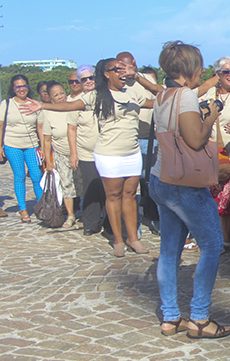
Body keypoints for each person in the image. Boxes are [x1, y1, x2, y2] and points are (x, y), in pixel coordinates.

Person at [22, 58, 154, 257]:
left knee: (129, 196)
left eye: (123, 69)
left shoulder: (133, 93)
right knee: (113, 196)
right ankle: (118, 239)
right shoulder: (96, 95)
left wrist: (139, 77)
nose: (122, 72)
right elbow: (71, 106)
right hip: (109, 154)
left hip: (132, 153)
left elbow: (159, 99)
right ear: (106, 73)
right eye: (117, 69)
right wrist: (42, 106)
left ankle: (132, 238)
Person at [147, 41, 230, 339]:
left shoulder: (163, 95)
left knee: (169, 252)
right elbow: (195, 140)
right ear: (187, 69)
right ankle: (200, 318)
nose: (203, 70)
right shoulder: (184, 96)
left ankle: (170, 318)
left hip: (161, 179)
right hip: (185, 184)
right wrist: (213, 114)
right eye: (200, 65)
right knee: (212, 246)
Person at [202, 56, 230, 252]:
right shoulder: (208, 94)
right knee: (215, 199)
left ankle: (227, 239)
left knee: (228, 199)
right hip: (212, 155)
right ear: (217, 74)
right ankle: (220, 239)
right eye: (226, 72)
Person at [0, 74, 43, 223]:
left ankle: (41, 206)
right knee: (19, 176)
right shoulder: (6, 104)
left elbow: (40, 127)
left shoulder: (35, 104)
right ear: (13, 88)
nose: (21, 89)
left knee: (37, 175)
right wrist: (0, 146)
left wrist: (42, 147)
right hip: (12, 144)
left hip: (32, 145)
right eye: (18, 86)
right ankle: (23, 209)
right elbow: (0, 126)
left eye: (24, 85)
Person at [67, 65, 104, 236]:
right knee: (90, 188)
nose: (88, 81)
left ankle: (108, 221)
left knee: (106, 188)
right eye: (84, 79)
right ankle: (91, 222)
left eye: (91, 77)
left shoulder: (105, 97)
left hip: (105, 151)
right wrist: (73, 153)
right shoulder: (77, 102)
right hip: (85, 152)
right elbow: (71, 129)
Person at [42, 81, 77, 227]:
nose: (60, 96)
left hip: (79, 151)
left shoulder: (74, 106)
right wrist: (48, 162)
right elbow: (46, 140)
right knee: (66, 184)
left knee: (82, 183)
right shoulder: (49, 114)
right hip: (61, 153)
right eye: (56, 95)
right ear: (50, 98)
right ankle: (70, 215)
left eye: (62, 92)